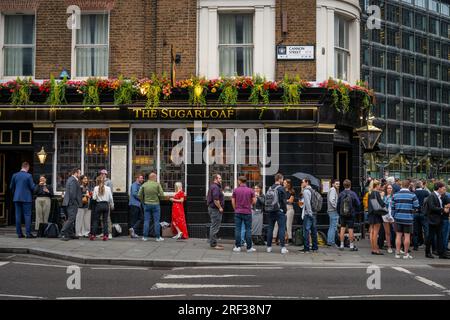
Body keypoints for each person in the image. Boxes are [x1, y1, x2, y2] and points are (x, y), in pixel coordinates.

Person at [392, 180, 419, 259]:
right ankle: (405, 254)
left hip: (398, 218)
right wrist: (411, 212)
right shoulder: (412, 195)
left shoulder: (395, 195)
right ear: (409, 186)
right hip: (408, 218)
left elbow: (393, 207)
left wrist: (394, 216)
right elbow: (416, 206)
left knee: (398, 235)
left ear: (401, 185)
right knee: (407, 236)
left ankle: (397, 253)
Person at [9, 162, 36, 238]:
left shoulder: (15, 175)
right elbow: (32, 187)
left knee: (18, 216)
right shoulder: (28, 176)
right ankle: (28, 234)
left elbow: (11, 187)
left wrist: (16, 194)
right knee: (27, 216)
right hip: (26, 198)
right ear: (27, 167)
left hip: (17, 198)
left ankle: (19, 234)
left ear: (22, 167)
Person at [424, 182, 450, 259]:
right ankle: (428, 252)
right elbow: (432, 207)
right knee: (431, 237)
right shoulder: (432, 195)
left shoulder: (438, 196)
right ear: (439, 188)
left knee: (440, 237)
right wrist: (443, 209)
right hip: (433, 219)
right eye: (443, 188)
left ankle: (441, 253)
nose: (444, 189)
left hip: (437, 219)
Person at [232, 176, 256, 253]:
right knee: (248, 229)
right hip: (247, 212)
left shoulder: (235, 190)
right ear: (245, 181)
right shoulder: (251, 190)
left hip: (238, 212)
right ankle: (249, 248)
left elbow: (233, 201)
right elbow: (254, 201)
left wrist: (235, 209)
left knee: (238, 229)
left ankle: (237, 247)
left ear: (239, 181)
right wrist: (249, 204)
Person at [138, 172, 165, 241]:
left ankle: (144, 237)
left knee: (146, 221)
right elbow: (162, 195)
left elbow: (139, 195)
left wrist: (143, 200)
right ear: (153, 177)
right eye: (155, 177)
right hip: (156, 205)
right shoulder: (157, 185)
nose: (156, 179)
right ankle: (158, 237)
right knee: (156, 221)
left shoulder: (144, 185)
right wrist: (159, 198)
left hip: (146, 204)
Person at [266, 173, 288, 254]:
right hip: (279, 211)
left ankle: (269, 247)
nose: (283, 180)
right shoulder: (281, 189)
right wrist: (284, 211)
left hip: (271, 210)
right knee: (281, 228)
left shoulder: (270, 188)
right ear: (280, 179)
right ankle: (283, 248)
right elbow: (284, 201)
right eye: (282, 179)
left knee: (270, 228)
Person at [336, 179, 360, 251]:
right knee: (350, 229)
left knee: (342, 228)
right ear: (350, 185)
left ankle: (341, 245)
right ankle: (351, 246)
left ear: (343, 185)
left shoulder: (341, 194)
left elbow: (338, 205)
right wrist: (355, 211)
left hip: (342, 214)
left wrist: (339, 212)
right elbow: (358, 204)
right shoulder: (353, 194)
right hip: (351, 214)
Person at [90, 176, 114, 241]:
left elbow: (94, 198)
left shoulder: (95, 188)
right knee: (105, 221)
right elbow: (110, 198)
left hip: (99, 205)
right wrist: (112, 205)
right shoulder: (108, 188)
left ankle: (93, 235)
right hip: (106, 205)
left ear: (97, 181)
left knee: (96, 220)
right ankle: (105, 236)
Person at [61, 168, 82, 241]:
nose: (80, 174)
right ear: (76, 173)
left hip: (68, 202)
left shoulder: (70, 179)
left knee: (71, 218)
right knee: (71, 218)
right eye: (79, 173)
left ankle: (70, 234)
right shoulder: (73, 180)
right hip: (71, 203)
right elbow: (72, 193)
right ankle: (63, 233)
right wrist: (74, 202)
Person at [272, 179, 295, 245]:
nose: (283, 183)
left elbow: (291, 201)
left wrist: (284, 200)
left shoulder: (292, 191)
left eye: (284, 183)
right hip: (282, 208)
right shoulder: (281, 190)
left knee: (288, 224)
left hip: (289, 208)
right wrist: (286, 200)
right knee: (277, 223)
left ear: (288, 184)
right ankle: (274, 238)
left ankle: (289, 239)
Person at [207, 174, 225, 250]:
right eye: (219, 178)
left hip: (213, 209)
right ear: (215, 179)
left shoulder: (214, 186)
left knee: (214, 226)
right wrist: (220, 207)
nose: (221, 179)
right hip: (215, 210)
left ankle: (214, 242)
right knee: (214, 227)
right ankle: (213, 244)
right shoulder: (215, 187)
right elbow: (215, 199)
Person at [368, 180, 385, 255]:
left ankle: (373, 248)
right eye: (379, 185)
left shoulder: (370, 193)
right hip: (377, 214)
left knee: (371, 232)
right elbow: (382, 204)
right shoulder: (377, 193)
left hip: (371, 214)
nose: (380, 186)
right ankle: (376, 249)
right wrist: (382, 196)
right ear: (376, 185)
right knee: (375, 233)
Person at [300, 179, 318, 253]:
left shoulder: (306, 191)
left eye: (303, 182)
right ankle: (314, 247)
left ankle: (306, 248)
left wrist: (309, 213)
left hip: (308, 214)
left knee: (306, 231)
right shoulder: (312, 190)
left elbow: (307, 203)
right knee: (313, 230)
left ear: (307, 183)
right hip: (314, 213)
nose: (301, 183)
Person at [413, 180, 430, 251]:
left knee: (415, 230)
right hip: (424, 212)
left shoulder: (413, 193)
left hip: (415, 213)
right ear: (421, 185)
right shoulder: (426, 192)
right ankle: (427, 245)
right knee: (426, 229)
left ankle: (415, 246)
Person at [128, 174, 144, 238]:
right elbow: (134, 194)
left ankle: (133, 230)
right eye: (141, 178)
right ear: (137, 178)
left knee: (140, 218)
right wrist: (141, 198)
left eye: (142, 178)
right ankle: (133, 232)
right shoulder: (134, 185)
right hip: (134, 204)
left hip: (138, 205)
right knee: (134, 219)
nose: (142, 179)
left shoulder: (140, 185)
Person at [99, 169, 113, 239]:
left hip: (107, 202)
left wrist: (111, 203)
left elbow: (110, 193)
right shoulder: (99, 181)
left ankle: (109, 232)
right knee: (101, 218)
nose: (102, 175)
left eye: (103, 174)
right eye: (101, 174)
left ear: (106, 175)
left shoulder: (109, 182)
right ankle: (103, 231)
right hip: (100, 202)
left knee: (107, 218)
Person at [381, 184, 395, 253]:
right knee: (387, 232)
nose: (390, 189)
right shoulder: (384, 197)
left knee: (397, 232)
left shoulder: (394, 196)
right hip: (385, 215)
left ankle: (399, 247)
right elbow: (382, 206)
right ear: (386, 189)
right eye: (388, 188)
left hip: (393, 216)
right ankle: (389, 247)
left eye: (391, 188)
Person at [326, 179, 340, 246]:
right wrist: (336, 207)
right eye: (336, 184)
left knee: (332, 226)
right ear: (333, 184)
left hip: (331, 211)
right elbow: (332, 200)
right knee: (333, 227)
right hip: (333, 211)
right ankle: (331, 242)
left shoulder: (332, 190)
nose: (338, 185)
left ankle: (330, 241)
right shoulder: (333, 190)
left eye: (338, 184)